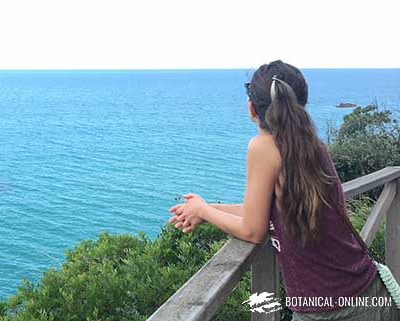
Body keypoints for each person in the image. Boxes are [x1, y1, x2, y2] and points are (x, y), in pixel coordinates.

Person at [168, 60, 399, 320]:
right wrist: (205, 208)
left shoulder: (262, 146)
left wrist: (204, 211)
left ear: (252, 108)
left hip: (328, 311)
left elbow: (253, 231)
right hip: (370, 295)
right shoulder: (312, 144)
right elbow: (268, 212)